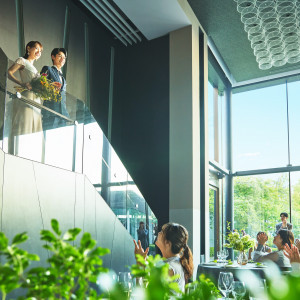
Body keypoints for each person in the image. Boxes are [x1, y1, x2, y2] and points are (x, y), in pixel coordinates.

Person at [134, 222, 193, 292]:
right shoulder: (174, 262)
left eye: (162, 232)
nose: (158, 233)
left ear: (168, 243)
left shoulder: (168, 268)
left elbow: (145, 296)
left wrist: (140, 267)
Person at [7, 41, 43, 138]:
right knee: (25, 125)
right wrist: (22, 83)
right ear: (28, 48)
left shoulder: (35, 69)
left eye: (40, 51)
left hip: (36, 100)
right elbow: (9, 73)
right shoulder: (22, 60)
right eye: (36, 48)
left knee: (35, 128)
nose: (38, 52)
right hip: (28, 97)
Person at [40, 48, 70, 129]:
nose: (62, 59)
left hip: (62, 114)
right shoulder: (48, 69)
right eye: (60, 56)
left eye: (64, 58)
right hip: (51, 112)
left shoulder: (63, 79)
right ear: (53, 57)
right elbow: (40, 83)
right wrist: (50, 85)